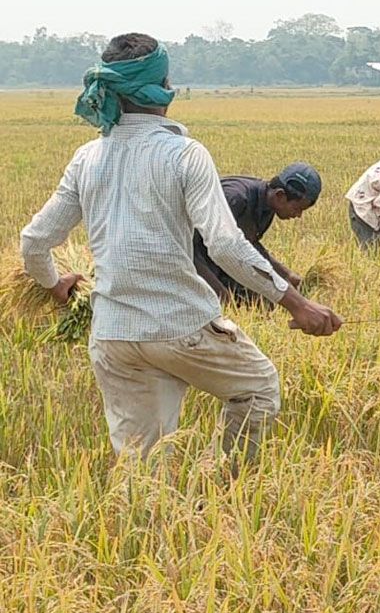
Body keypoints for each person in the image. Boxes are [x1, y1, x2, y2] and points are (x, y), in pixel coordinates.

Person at [19, 33, 342, 469]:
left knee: (139, 462)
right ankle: (224, 483)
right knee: (258, 388)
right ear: (162, 88)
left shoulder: (87, 158)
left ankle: (144, 529)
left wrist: (55, 284)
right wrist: (297, 304)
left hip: (113, 334)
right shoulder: (184, 154)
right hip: (178, 326)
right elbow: (226, 245)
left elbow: (34, 241)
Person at [193, 163, 322, 306]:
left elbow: (248, 245)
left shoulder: (268, 206)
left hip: (218, 263)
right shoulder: (235, 199)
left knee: (266, 301)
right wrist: (221, 294)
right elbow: (189, 250)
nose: (298, 215)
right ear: (280, 195)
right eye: (297, 208)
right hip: (186, 265)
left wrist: (286, 275)